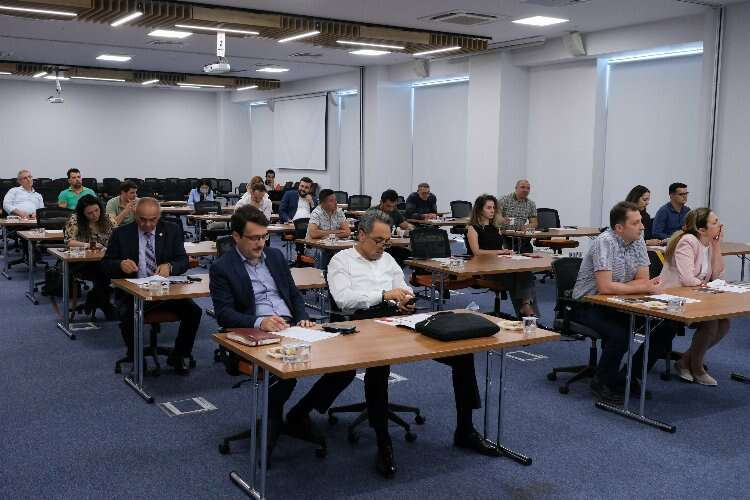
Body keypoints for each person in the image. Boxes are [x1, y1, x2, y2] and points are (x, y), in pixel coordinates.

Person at [327, 212, 498, 478]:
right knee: (378, 366)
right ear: (361, 235)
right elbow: (343, 299)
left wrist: (405, 300)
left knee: (462, 354)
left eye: (386, 241)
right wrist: (384, 294)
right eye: (377, 241)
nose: (382, 247)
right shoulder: (341, 260)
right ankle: (383, 442)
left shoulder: (388, 260)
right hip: (363, 323)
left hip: (397, 319)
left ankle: (465, 430)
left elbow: (403, 288)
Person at [210, 206, 355, 454]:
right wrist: (260, 322)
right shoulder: (222, 267)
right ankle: (272, 421)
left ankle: (300, 412)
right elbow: (224, 314)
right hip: (254, 334)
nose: (261, 243)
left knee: (345, 365)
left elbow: (294, 295)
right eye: (254, 238)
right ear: (236, 237)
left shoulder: (275, 256)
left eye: (264, 236)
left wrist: (303, 319)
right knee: (286, 369)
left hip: (291, 328)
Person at [572, 201, 676, 403]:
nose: (642, 227)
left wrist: (627, 286)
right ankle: (601, 382)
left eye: (641, 222)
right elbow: (605, 287)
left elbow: (643, 280)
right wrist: (636, 286)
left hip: (620, 302)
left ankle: (628, 376)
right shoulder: (605, 242)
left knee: (666, 327)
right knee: (620, 335)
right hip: (587, 303)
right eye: (636, 223)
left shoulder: (638, 240)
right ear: (619, 228)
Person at [102, 198, 202, 374]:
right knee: (128, 315)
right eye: (143, 219)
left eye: (153, 220)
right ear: (135, 215)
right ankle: (136, 357)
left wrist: (170, 266)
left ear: (159, 216)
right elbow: (106, 265)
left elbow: (182, 260)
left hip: (165, 291)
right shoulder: (121, 234)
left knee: (194, 312)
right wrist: (120, 265)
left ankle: (179, 355)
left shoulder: (172, 230)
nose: (148, 224)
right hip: (133, 292)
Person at [659, 208, 729, 386]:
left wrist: (717, 245)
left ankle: (684, 361)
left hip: (693, 297)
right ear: (701, 229)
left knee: (724, 322)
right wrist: (707, 286)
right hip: (671, 299)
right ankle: (697, 367)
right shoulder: (688, 241)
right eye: (714, 222)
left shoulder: (708, 244)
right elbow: (687, 279)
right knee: (711, 321)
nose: (720, 225)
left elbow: (718, 275)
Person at [465, 194, 538, 317]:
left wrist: (507, 252)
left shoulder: (495, 228)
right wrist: (499, 252)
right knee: (521, 276)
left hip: (500, 264)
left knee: (524, 270)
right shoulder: (473, 228)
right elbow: (477, 252)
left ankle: (526, 307)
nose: (492, 210)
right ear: (480, 209)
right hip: (485, 268)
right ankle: (527, 312)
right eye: (489, 208)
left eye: (494, 207)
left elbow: (499, 247)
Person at [63, 195, 116, 318]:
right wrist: (88, 245)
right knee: (102, 272)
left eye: (97, 210)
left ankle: (95, 298)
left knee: (111, 268)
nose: (94, 215)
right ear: (83, 214)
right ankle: (104, 304)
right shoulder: (75, 219)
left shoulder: (108, 219)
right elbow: (69, 242)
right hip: (81, 262)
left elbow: (118, 237)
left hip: (104, 259)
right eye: (90, 213)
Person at [497, 179, 538, 253]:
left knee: (528, 250)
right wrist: (503, 220)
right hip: (504, 235)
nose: (525, 190)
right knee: (508, 252)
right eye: (522, 187)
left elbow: (534, 223)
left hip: (521, 235)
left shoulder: (531, 204)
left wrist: (526, 227)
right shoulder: (504, 199)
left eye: (528, 188)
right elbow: (496, 216)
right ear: (516, 188)